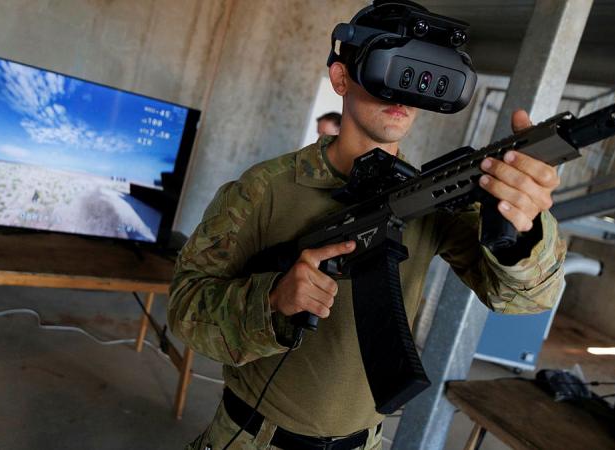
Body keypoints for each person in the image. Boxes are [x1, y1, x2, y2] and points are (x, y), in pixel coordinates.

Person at [169, 6, 566, 450]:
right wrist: (273, 299)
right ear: (341, 78)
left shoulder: (433, 199)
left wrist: (521, 226)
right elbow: (185, 311)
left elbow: (527, 299)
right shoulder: (264, 189)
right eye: (391, 69)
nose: (403, 94)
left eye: (420, 75)